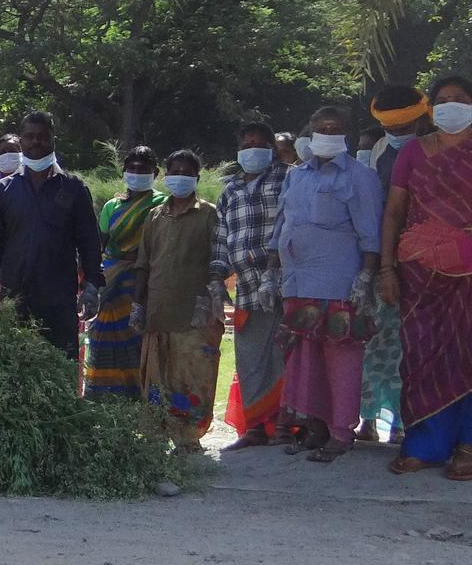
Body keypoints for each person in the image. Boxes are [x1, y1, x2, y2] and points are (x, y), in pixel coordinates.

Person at [265, 106, 383, 462]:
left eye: (336, 128)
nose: (328, 134)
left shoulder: (360, 176)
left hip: (339, 282)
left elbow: (371, 231)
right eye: (322, 128)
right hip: (297, 282)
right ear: (311, 133)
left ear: (347, 133)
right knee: (303, 357)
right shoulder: (296, 175)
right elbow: (283, 222)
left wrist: (366, 278)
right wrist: (272, 269)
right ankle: (313, 426)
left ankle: (341, 433)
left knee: (341, 357)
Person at [380, 75, 472, 479]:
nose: (452, 104)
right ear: (431, 109)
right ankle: (425, 446)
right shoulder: (413, 152)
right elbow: (394, 213)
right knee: (421, 355)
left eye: (460, 98)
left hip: (468, 272)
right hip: (419, 275)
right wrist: (386, 269)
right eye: (444, 99)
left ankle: (468, 446)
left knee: (468, 354)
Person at [0, 111, 104, 360]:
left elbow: (89, 242)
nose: (36, 142)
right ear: (22, 140)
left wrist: (92, 286)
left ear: (53, 139)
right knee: (16, 369)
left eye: (43, 136)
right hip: (14, 301)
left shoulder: (74, 188)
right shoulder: (3, 190)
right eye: (30, 136)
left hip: (59, 301)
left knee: (60, 369)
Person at [211, 123, 296, 451]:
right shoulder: (230, 190)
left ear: (272, 148)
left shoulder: (290, 177)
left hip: (286, 283)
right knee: (250, 360)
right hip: (246, 289)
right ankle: (256, 428)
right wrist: (216, 279)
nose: (252, 150)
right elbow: (222, 238)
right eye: (246, 145)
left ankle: (289, 426)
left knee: (287, 356)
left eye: (259, 144)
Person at [132, 150, 222, 453]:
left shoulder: (208, 214)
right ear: (166, 175)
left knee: (193, 377)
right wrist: (138, 305)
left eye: (186, 172)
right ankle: (156, 436)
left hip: (194, 314)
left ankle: (188, 437)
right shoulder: (155, 216)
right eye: (174, 172)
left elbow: (219, 261)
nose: (179, 177)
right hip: (158, 311)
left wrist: (211, 300)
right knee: (158, 378)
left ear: (196, 178)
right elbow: (143, 264)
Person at [360, 86, 432, 445]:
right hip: (386, 258)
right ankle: (370, 418)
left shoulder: (439, 149)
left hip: (430, 261)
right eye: (389, 129)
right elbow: (378, 209)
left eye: (402, 128)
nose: (395, 135)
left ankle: (409, 420)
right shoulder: (379, 150)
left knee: (418, 345)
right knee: (378, 343)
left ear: (421, 120)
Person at [82, 146, 166, 400]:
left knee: (138, 339)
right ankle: (105, 396)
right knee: (103, 336)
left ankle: (140, 396)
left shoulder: (163, 204)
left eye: (144, 169)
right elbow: (100, 245)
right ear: (124, 172)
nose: (137, 173)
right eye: (132, 168)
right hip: (112, 283)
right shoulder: (112, 206)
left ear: (155, 173)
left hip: (144, 283)